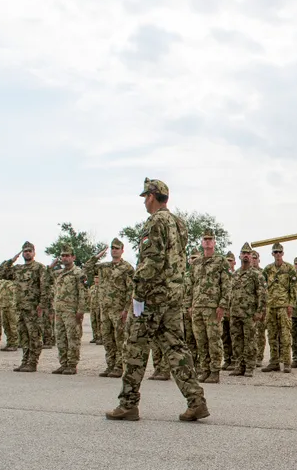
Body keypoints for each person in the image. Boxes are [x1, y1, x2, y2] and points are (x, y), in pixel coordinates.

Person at [106, 178, 209, 422]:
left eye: (145, 197)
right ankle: (196, 401)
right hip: (173, 296)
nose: (144, 201)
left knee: (134, 347)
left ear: (152, 196)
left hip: (152, 296)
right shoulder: (179, 223)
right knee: (176, 348)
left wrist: (138, 294)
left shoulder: (156, 222)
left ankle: (128, 404)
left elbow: (152, 261)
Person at [0, 242, 51, 372]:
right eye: (25, 251)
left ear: (34, 252)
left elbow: (45, 287)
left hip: (33, 308)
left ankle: (33, 362)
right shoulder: (18, 268)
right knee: (23, 336)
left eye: (29, 251)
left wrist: (42, 305)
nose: (27, 253)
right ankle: (25, 361)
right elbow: (1, 273)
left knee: (34, 335)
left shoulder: (39, 268)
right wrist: (11, 260)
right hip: (19, 307)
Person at [85, 239, 135, 378]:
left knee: (119, 339)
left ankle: (119, 367)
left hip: (118, 309)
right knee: (107, 339)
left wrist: (126, 309)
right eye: (112, 248)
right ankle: (110, 365)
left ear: (122, 250)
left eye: (117, 248)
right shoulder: (104, 267)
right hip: (105, 309)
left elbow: (131, 290)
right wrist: (99, 254)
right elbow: (87, 267)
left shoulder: (127, 268)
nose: (114, 250)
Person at [188, 230, 229, 383]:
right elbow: (191, 285)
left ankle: (215, 371)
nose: (207, 241)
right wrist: (189, 305)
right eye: (204, 239)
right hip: (197, 306)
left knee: (214, 339)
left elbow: (226, 284)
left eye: (209, 239)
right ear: (201, 242)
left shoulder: (220, 261)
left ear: (214, 242)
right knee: (201, 340)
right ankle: (205, 369)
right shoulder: (196, 263)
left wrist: (222, 305)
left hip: (213, 307)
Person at [226, 243, 266, 377]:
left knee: (250, 341)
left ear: (251, 256)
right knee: (237, 341)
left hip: (249, 314)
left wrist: (259, 311)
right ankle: (239, 366)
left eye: (248, 254)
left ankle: (249, 366)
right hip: (235, 313)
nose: (246, 256)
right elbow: (230, 293)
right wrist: (228, 309)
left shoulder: (256, 275)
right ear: (240, 256)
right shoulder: (235, 274)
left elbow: (262, 294)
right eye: (244, 253)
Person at [50, 246, 86, 375]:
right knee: (60, 338)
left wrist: (81, 310)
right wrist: (51, 266)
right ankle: (63, 363)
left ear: (73, 257)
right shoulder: (58, 273)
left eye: (67, 255)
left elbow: (83, 292)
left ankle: (72, 364)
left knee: (73, 338)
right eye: (62, 256)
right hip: (59, 310)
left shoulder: (78, 273)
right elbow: (45, 277)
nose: (64, 258)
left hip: (71, 310)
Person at [262, 243, 296, 372]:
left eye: (279, 252)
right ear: (272, 254)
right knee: (271, 335)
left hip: (283, 306)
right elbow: (263, 285)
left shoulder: (289, 268)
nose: (277, 254)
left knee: (285, 335)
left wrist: (291, 304)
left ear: (283, 253)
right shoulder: (268, 269)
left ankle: (287, 363)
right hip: (271, 306)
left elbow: (293, 288)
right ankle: (274, 362)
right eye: (275, 252)